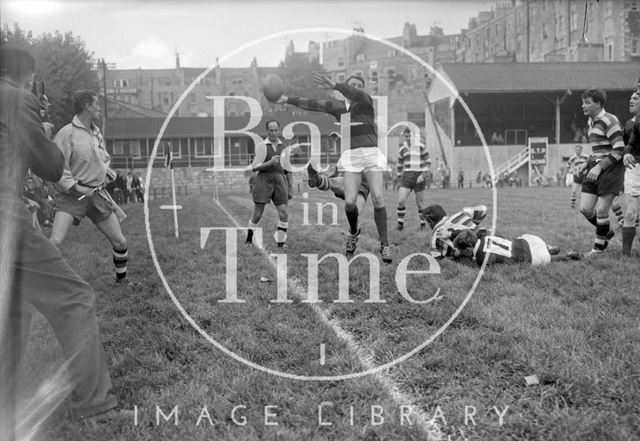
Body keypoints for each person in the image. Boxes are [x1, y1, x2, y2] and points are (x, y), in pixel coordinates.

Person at [0, 47, 125, 429]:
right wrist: (41, 121)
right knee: (74, 299)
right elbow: (52, 165)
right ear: (24, 74)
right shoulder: (15, 97)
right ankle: (96, 405)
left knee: (12, 313)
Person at [277, 74, 392, 262]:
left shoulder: (365, 102)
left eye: (359, 85)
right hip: (352, 157)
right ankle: (354, 232)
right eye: (353, 85)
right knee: (349, 204)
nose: (356, 88)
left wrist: (335, 85)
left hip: (370, 154)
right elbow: (314, 104)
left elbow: (353, 93)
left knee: (378, 198)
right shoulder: (339, 109)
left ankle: (385, 245)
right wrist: (286, 99)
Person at [50, 89, 132, 284]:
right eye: (96, 104)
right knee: (55, 241)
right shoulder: (66, 134)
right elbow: (57, 167)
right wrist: (76, 188)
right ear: (86, 106)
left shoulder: (96, 132)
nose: (99, 108)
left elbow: (102, 158)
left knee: (120, 241)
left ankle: (122, 282)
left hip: (96, 195)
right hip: (72, 196)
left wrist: (107, 176)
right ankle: (45, 282)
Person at [578, 89, 625, 256]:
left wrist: (599, 166)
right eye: (583, 102)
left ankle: (597, 250)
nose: (583, 105)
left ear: (598, 104)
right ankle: (606, 232)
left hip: (611, 169)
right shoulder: (591, 122)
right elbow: (600, 148)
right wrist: (587, 162)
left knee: (602, 210)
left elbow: (619, 149)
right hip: (594, 166)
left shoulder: (610, 120)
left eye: (587, 102)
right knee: (585, 209)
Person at [245, 120, 295, 248]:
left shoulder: (283, 147)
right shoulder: (261, 146)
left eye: (275, 130)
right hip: (263, 179)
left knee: (284, 213)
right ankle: (249, 240)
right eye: (270, 130)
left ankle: (280, 242)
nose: (273, 133)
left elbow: (288, 168)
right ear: (267, 131)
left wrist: (290, 186)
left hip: (279, 180)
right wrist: (269, 163)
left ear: (278, 130)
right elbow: (255, 168)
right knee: (257, 214)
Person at [453, 229, 580, 266]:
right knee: (520, 240)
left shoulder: (481, 257)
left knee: (548, 260)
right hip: (531, 241)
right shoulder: (485, 234)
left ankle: (567, 255)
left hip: (533, 257)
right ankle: (548, 248)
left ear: (469, 249)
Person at [420, 203, 488, 260]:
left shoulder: (436, 238)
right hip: (489, 236)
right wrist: (473, 223)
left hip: (481, 253)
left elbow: (451, 255)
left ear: (430, 222)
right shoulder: (461, 214)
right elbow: (484, 209)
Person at [396, 127, 429, 231]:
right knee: (401, 201)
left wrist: (422, 175)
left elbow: (428, 162)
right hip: (407, 176)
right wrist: (398, 178)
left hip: (419, 175)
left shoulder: (421, 146)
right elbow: (399, 164)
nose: (408, 138)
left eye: (410, 136)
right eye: (406, 136)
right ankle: (400, 224)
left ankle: (423, 225)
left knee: (420, 203)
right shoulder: (402, 148)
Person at [621, 91, 640, 256]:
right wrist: (627, 152)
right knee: (630, 213)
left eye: (636, 97)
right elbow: (631, 143)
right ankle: (625, 255)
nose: (631, 100)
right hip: (635, 168)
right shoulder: (631, 124)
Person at [567, 145, 589, 209]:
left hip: (584, 176)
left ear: (581, 150)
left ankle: (585, 205)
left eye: (579, 149)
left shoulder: (586, 156)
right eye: (576, 149)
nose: (577, 151)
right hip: (577, 176)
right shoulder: (572, 157)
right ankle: (572, 206)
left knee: (585, 192)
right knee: (573, 191)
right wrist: (572, 170)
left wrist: (587, 170)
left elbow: (590, 164)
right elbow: (568, 165)